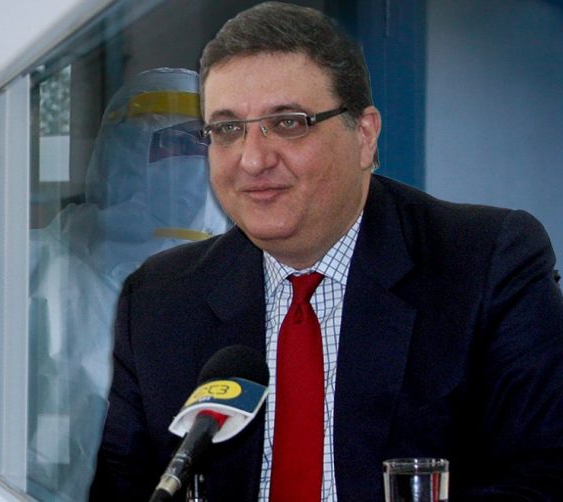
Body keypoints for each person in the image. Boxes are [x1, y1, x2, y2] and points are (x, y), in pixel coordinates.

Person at [91, 2, 563, 501]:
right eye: (228, 129)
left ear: (364, 136)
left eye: (288, 123)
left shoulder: (486, 263)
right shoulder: (159, 300)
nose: (252, 159)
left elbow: (547, 476)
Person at [28, 67, 229, 501]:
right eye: (171, 145)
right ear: (119, 149)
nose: (187, 167)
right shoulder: (37, 266)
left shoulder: (240, 277)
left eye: (205, 145)